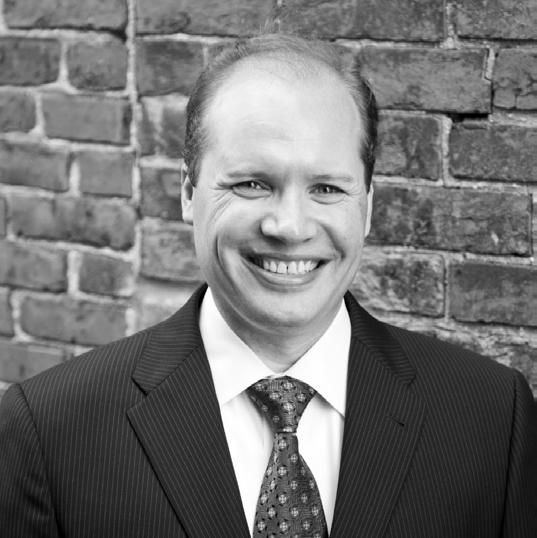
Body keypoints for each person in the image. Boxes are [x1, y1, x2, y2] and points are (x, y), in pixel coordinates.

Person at [0, 33, 536, 538]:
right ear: (188, 192)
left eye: (327, 188)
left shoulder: (492, 416)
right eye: (253, 183)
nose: (290, 227)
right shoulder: (49, 429)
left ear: (368, 206)